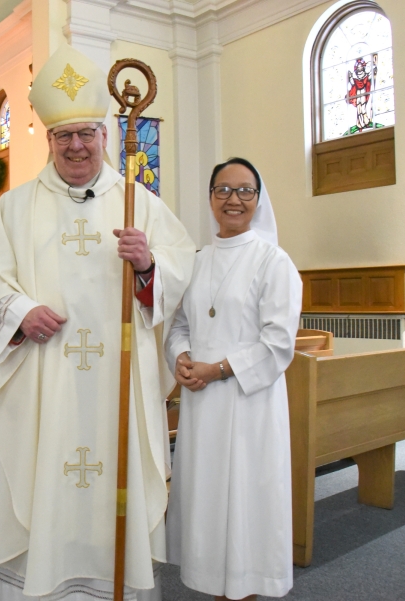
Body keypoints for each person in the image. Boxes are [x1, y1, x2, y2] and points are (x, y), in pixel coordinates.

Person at [0, 44, 195, 601]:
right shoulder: (15, 207)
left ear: (102, 136)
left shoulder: (137, 201)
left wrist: (147, 266)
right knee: (48, 472)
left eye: (86, 134)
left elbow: (179, 268)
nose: (75, 145)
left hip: (117, 384)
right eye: (63, 135)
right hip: (45, 378)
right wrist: (22, 313)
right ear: (48, 141)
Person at [164, 158, 301, 601]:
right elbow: (179, 323)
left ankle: (245, 591)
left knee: (246, 503)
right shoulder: (197, 260)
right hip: (203, 404)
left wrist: (218, 368)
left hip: (248, 404)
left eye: (244, 191)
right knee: (207, 501)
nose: (233, 200)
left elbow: (279, 343)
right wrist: (181, 357)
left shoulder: (273, 261)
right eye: (223, 190)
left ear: (258, 200)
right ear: (210, 199)